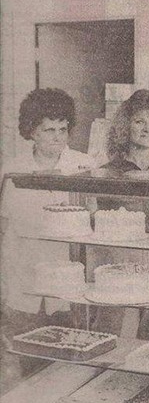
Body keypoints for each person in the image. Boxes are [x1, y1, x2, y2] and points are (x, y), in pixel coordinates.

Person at [0, 88, 94, 386]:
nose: (57, 137)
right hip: (22, 282)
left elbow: (90, 219)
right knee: (26, 365)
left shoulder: (83, 166)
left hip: (67, 287)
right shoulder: (12, 170)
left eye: (63, 129)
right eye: (48, 129)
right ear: (31, 131)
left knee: (68, 367)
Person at [90, 89, 149, 338]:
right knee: (114, 328)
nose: (147, 129)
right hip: (120, 261)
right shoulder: (108, 171)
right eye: (139, 121)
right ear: (125, 125)